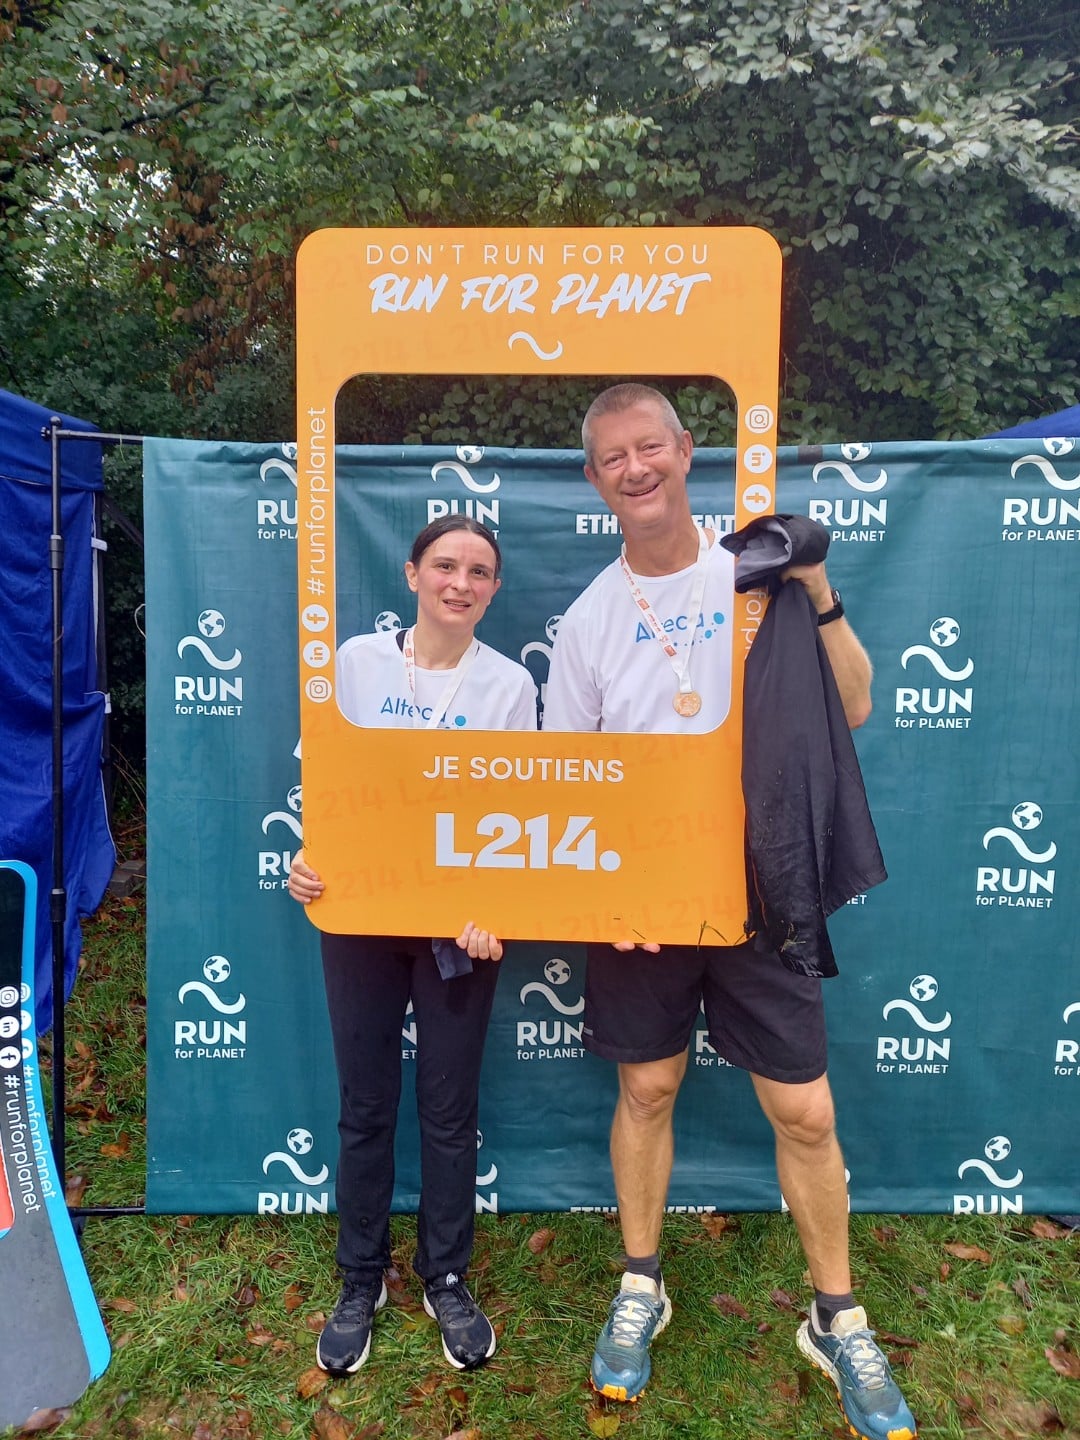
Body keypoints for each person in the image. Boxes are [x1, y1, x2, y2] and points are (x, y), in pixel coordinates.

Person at [542, 385, 917, 1440]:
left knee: (807, 1112)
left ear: (685, 449)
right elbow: (573, 780)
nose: (635, 468)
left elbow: (856, 703)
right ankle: (641, 1282)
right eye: (613, 457)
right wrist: (606, 898)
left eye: (649, 446)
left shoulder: (758, 575)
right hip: (645, 897)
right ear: (595, 480)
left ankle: (836, 1315)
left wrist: (818, 584)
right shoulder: (590, 618)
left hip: (767, 886)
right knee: (648, 1086)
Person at [288, 515, 537, 1377]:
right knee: (365, 1106)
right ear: (411, 574)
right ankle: (360, 1277)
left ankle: (446, 1276)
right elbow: (327, 783)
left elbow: (521, 814)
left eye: (479, 572)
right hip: (359, 917)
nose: (460, 583)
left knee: (449, 1109)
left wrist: (494, 908)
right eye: (445, 566)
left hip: (456, 929)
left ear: (493, 590)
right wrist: (311, 858)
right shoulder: (356, 662)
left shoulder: (510, 686)